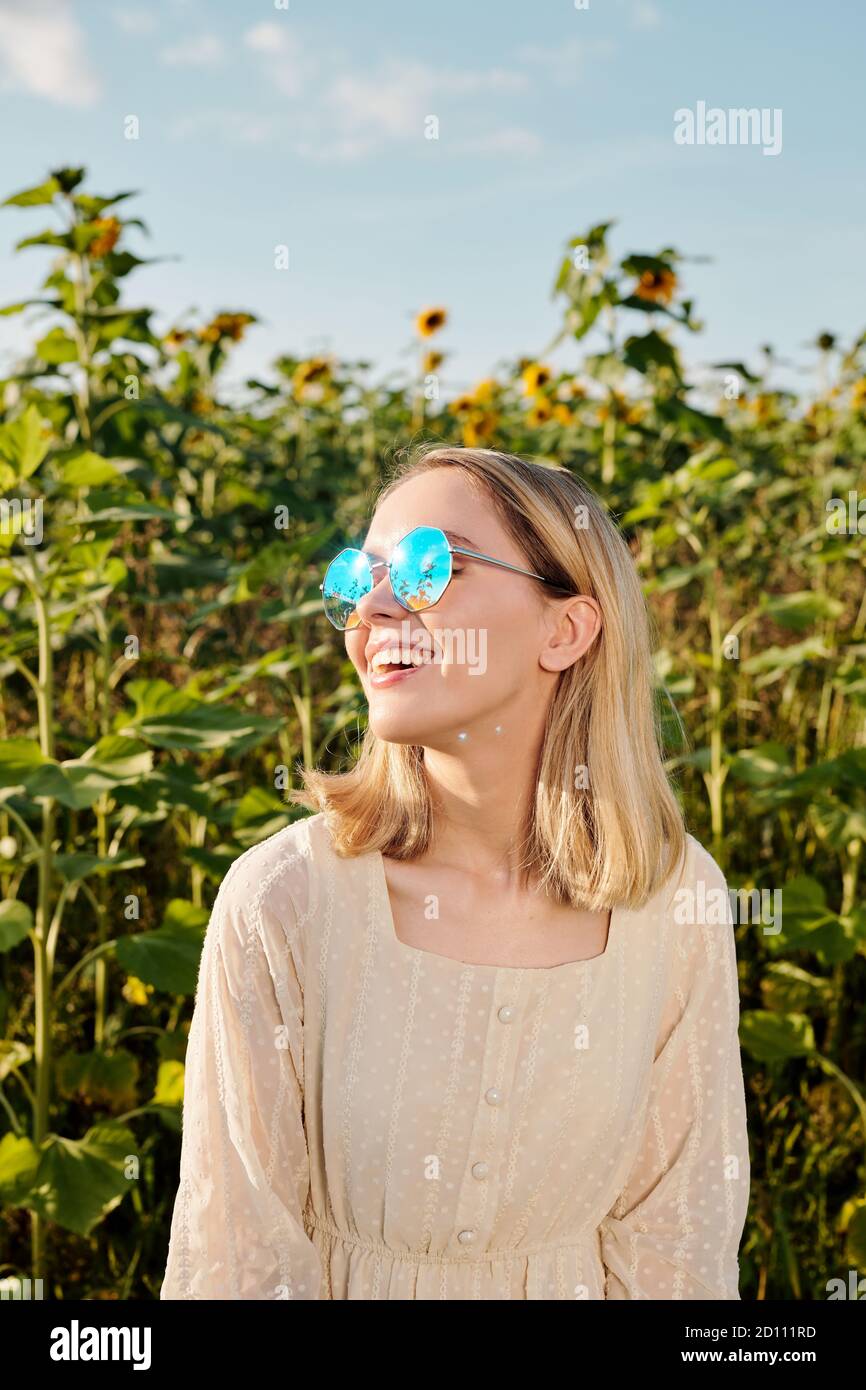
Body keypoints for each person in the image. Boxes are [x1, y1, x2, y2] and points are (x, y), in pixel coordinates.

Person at [160, 444, 750, 1300]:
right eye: (357, 579)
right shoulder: (282, 902)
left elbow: (679, 1250)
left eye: (430, 568)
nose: (375, 609)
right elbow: (237, 1265)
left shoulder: (676, 895)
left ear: (567, 630)